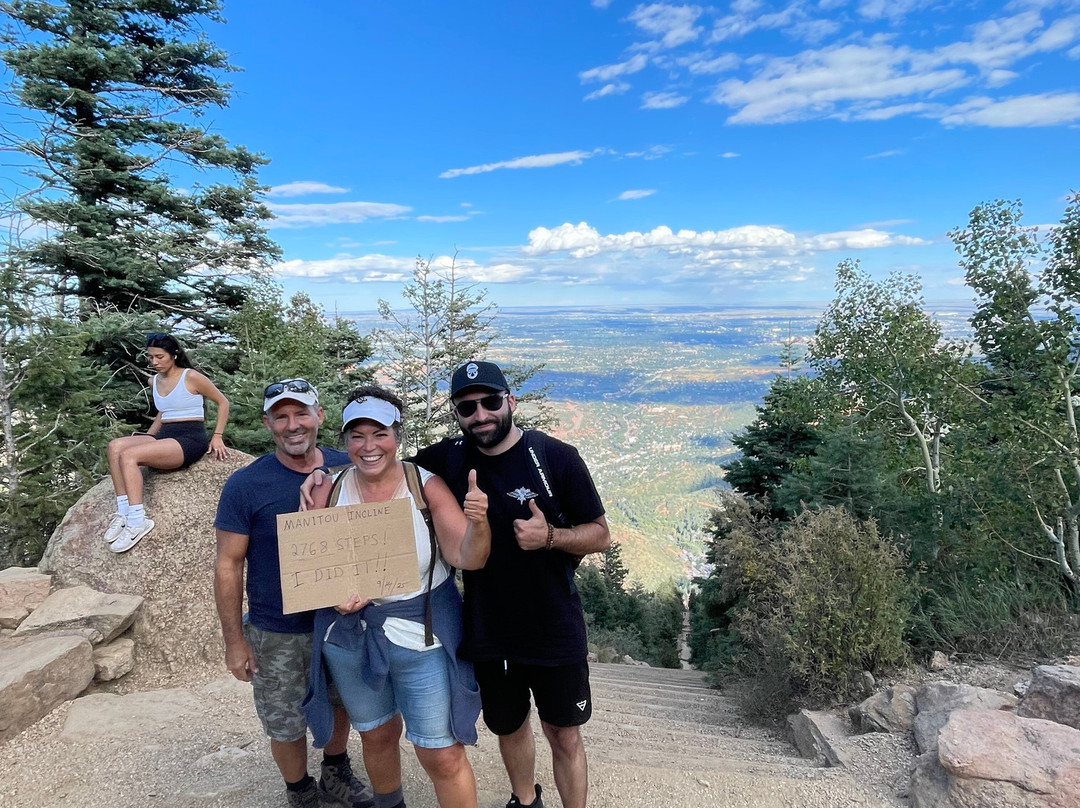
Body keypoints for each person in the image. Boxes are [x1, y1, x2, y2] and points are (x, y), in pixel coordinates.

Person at [303, 362, 609, 808]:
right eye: (467, 407)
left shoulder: (555, 457)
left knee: (562, 734)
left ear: (510, 401)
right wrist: (318, 470)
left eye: (490, 402)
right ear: (457, 413)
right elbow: (376, 460)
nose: (480, 414)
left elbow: (600, 534)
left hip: (552, 619)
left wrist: (550, 537)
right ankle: (525, 801)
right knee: (509, 726)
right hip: (487, 626)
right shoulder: (446, 459)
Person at [301, 386, 490, 808]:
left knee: (442, 753)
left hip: (422, 634)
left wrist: (479, 524)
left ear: (397, 436)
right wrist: (333, 595)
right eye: (357, 436)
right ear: (344, 440)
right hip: (352, 636)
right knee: (377, 734)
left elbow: (468, 558)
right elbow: (315, 566)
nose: (369, 446)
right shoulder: (328, 490)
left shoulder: (424, 487)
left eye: (380, 434)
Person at [214, 379, 374, 808]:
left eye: (301, 413)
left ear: (318, 415)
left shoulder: (349, 467)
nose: (292, 425)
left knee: (341, 703)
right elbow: (228, 563)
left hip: (341, 620)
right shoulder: (246, 485)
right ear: (267, 423)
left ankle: (335, 770)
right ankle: (300, 790)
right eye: (280, 416)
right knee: (284, 720)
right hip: (277, 629)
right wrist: (234, 640)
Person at [104, 332, 230, 553]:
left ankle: (138, 521)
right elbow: (164, 412)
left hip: (189, 438)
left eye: (159, 357)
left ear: (174, 355)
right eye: (151, 357)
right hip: (165, 435)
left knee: (129, 456)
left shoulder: (191, 377)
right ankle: (124, 512)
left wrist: (217, 436)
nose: (154, 362)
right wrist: (148, 439)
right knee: (115, 447)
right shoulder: (154, 381)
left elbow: (223, 402)